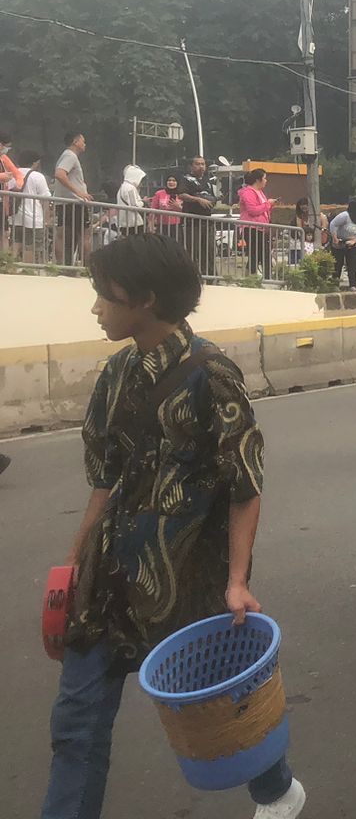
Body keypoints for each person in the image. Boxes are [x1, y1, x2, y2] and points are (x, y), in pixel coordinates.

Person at [39, 233, 305, 819]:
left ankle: (276, 789)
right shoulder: (116, 374)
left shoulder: (212, 375)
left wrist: (237, 581)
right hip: (108, 584)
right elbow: (104, 481)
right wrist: (75, 565)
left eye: (104, 295)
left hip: (185, 583)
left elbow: (244, 485)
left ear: (145, 299)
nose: (95, 308)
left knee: (217, 708)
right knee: (76, 726)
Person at [53, 131, 93, 266]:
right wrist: (79, 193)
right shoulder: (70, 156)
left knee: (65, 235)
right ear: (75, 142)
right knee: (84, 235)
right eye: (83, 141)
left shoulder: (66, 155)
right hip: (74, 203)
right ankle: (86, 267)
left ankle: (64, 266)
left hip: (65, 202)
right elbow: (60, 174)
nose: (85, 144)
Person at [175, 155, 217, 278]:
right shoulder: (186, 179)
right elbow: (181, 194)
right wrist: (198, 199)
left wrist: (213, 201)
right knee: (193, 252)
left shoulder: (208, 181)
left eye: (203, 164)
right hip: (192, 223)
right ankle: (191, 277)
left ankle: (211, 277)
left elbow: (212, 197)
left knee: (209, 252)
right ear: (191, 166)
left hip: (207, 222)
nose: (201, 166)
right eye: (197, 164)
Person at [9, 148, 52, 262]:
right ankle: (28, 268)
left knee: (15, 243)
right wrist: (47, 219)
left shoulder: (13, 174)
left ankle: (9, 266)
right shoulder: (38, 176)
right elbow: (45, 199)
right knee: (31, 247)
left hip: (15, 217)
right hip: (34, 218)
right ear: (35, 162)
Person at [236, 168, 274, 275]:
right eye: (264, 178)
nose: (266, 181)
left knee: (261, 254)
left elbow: (262, 209)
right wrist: (268, 204)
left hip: (261, 228)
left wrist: (269, 206)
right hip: (252, 228)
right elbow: (252, 210)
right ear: (258, 180)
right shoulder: (248, 192)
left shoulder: (260, 192)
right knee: (256, 253)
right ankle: (257, 276)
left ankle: (255, 275)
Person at [112, 165, 145, 238]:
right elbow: (134, 205)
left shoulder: (123, 187)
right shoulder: (130, 188)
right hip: (133, 223)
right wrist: (143, 202)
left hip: (125, 222)